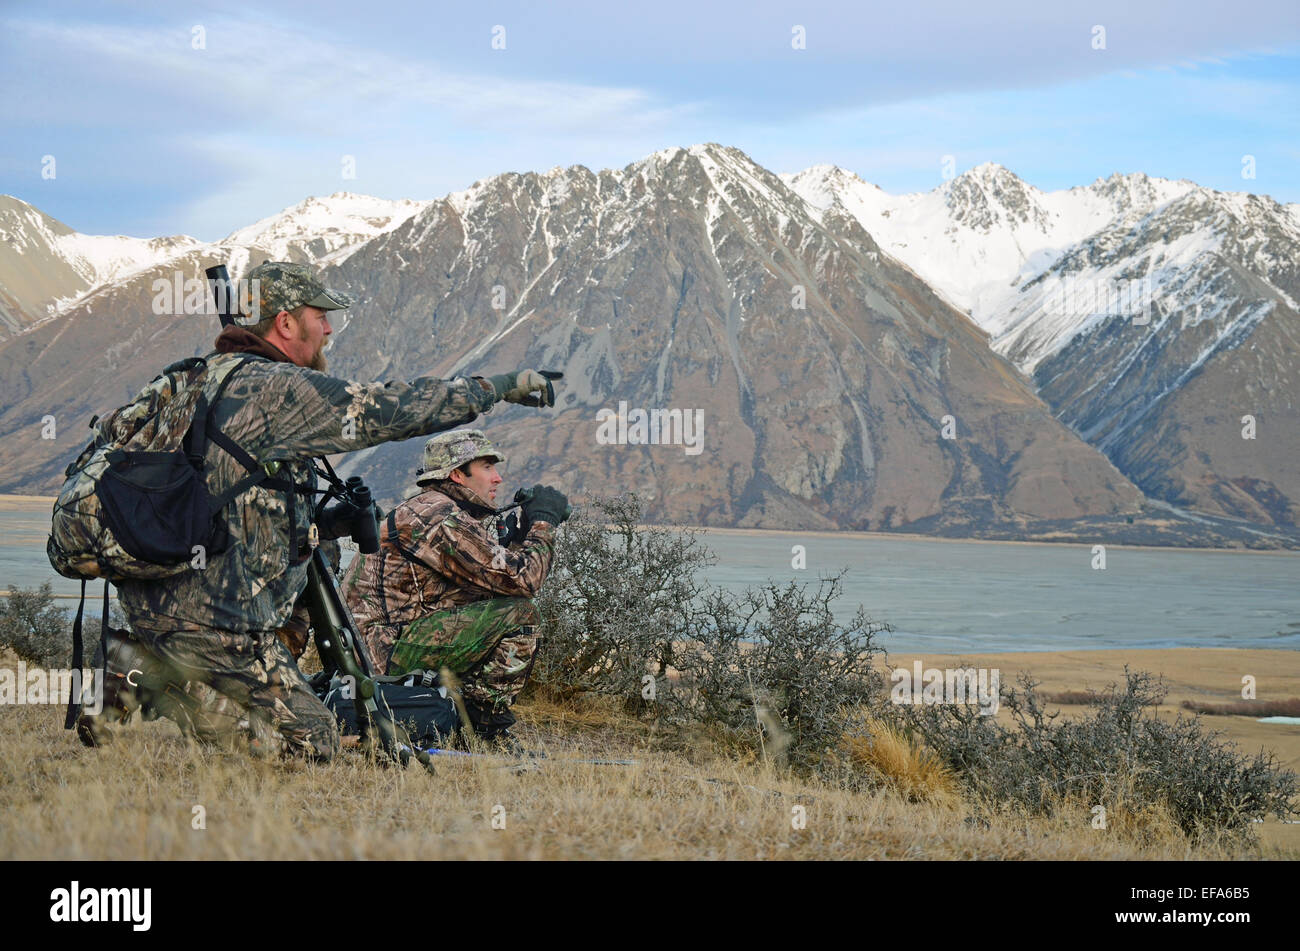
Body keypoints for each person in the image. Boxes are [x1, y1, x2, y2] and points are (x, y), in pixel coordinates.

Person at [77, 261, 559, 761]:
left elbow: (216, 499)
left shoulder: (190, 381)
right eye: (320, 316)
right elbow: (390, 409)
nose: (328, 329)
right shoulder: (275, 389)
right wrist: (499, 386)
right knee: (308, 744)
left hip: (156, 596)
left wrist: (324, 524)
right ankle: (153, 675)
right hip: (213, 620)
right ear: (285, 322)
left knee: (314, 574)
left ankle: (146, 663)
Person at [341, 429, 569, 750]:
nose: (498, 478)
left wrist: (515, 543)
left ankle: (464, 719)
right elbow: (524, 581)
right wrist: (544, 523)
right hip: (383, 651)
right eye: (487, 467)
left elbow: (486, 590)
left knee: (504, 608)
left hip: (370, 649)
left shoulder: (428, 509)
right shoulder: (440, 515)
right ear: (457, 475)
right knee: (522, 616)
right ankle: (482, 732)